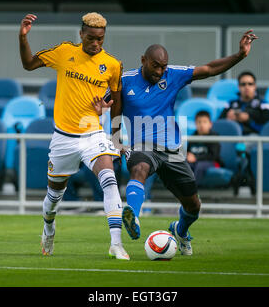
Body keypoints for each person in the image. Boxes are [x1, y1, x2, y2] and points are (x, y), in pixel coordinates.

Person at [94, 30, 258, 256]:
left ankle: (180, 231)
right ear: (143, 60)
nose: (160, 71)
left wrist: (239, 55)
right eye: (156, 66)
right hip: (142, 146)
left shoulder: (173, 74)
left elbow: (209, 69)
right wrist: (116, 141)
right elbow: (114, 110)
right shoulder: (125, 80)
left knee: (193, 206)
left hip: (171, 150)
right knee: (139, 168)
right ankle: (133, 213)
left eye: (163, 66)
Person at [19, 12, 130, 260]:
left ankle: (116, 243)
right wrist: (23, 38)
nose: (95, 44)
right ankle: (48, 228)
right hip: (63, 139)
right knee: (53, 197)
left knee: (109, 180)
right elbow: (28, 64)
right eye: (91, 38)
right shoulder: (64, 52)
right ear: (81, 34)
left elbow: (118, 103)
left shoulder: (112, 65)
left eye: (100, 39)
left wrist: (115, 137)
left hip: (93, 135)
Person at [187, 110, 222, 185]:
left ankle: (193, 191)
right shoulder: (192, 137)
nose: (201, 125)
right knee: (187, 165)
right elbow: (188, 152)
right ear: (195, 124)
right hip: (195, 161)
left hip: (212, 162)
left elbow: (214, 156)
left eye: (205, 122)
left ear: (210, 124)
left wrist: (196, 157)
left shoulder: (214, 137)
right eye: (199, 122)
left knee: (200, 165)